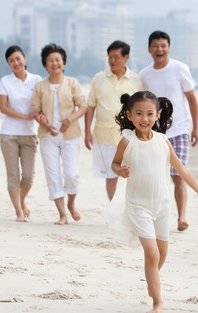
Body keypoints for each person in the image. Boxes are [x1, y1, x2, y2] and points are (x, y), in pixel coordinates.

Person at [111, 91, 198, 313]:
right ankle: (157, 301)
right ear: (129, 115)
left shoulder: (163, 141)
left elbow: (181, 169)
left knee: (162, 254)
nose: (144, 118)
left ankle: (151, 279)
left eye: (149, 113)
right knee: (152, 253)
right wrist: (121, 171)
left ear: (157, 115)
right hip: (138, 205)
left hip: (162, 205)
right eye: (138, 113)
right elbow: (115, 164)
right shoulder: (127, 140)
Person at [139, 30, 198, 232]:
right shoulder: (144, 75)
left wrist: (195, 127)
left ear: (169, 48)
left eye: (163, 45)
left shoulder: (179, 69)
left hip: (180, 130)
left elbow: (191, 98)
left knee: (178, 175)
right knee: (156, 176)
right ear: (149, 49)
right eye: (155, 46)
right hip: (155, 132)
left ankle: (181, 217)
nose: (160, 49)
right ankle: (155, 214)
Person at [31, 43, 87, 225]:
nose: (54, 63)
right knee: (53, 175)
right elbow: (35, 110)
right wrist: (44, 122)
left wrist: (69, 120)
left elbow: (83, 106)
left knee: (71, 174)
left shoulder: (73, 84)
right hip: (48, 136)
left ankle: (71, 204)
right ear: (45, 64)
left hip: (70, 134)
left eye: (58, 60)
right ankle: (62, 214)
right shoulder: (40, 87)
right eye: (50, 60)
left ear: (63, 62)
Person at [84, 40, 143, 201]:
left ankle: (132, 208)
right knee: (111, 176)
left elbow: (142, 109)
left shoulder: (136, 80)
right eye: (110, 56)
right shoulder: (98, 78)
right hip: (103, 136)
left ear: (126, 57)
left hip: (129, 137)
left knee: (133, 174)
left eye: (116, 56)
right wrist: (87, 132)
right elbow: (90, 107)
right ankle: (114, 208)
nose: (112, 60)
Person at [0, 45, 43, 222]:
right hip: (8, 134)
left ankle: (21, 201)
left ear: (24, 58)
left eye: (18, 58)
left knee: (28, 177)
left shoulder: (37, 80)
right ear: (8, 64)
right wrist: (25, 116)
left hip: (30, 133)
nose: (15, 63)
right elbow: (3, 108)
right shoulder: (5, 81)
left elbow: (42, 104)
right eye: (11, 61)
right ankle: (18, 211)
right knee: (13, 175)